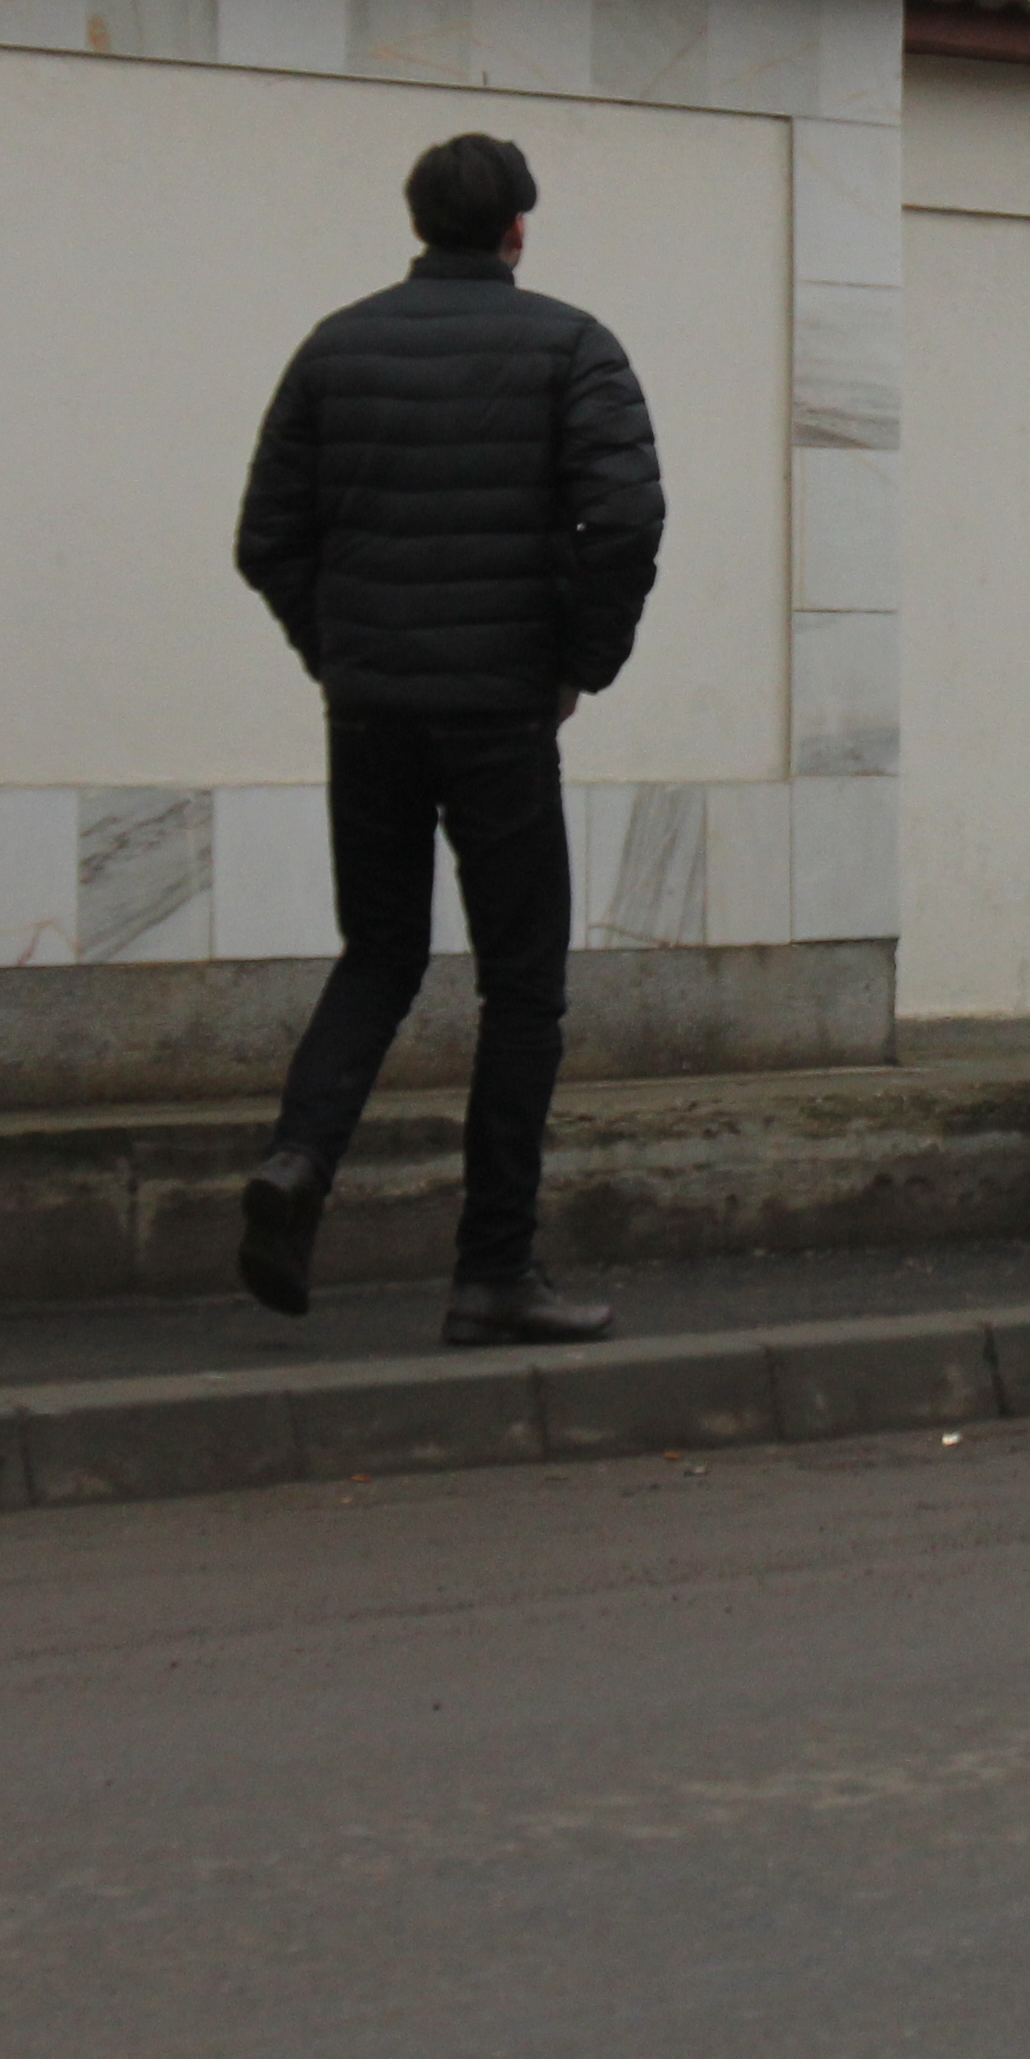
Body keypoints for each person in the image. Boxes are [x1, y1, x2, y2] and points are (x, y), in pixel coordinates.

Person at [230, 134, 665, 1343]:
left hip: (368, 712)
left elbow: (268, 537)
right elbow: (624, 518)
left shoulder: (336, 345)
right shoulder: (574, 345)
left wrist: (342, 652)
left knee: (379, 954)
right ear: (518, 227)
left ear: (418, 224)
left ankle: (301, 1161)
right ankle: (493, 1270)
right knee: (523, 987)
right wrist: (578, 663)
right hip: (502, 716)